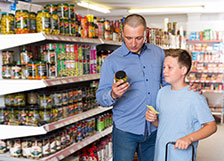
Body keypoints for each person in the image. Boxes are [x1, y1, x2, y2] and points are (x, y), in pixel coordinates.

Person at [96, 14, 199, 161]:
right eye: (128, 38)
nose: (133, 43)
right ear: (122, 34)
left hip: (154, 126)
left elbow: (169, 82)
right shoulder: (111, 61)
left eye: (138, 38)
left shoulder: (157, 53)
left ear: (146, 33)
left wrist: (188, 88)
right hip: (126, 130)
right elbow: (100, 98)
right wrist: (113, 94)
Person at [145, 49, 217, 161]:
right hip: (161, 154)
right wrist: (153, 119)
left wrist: (189, 138)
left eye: (170, 67)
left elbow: (211, 126)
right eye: (164, 67)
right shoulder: (162, 92)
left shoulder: (195, 97)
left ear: (183, 70)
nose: (164, 71)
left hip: (181, 156)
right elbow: (163, 124)